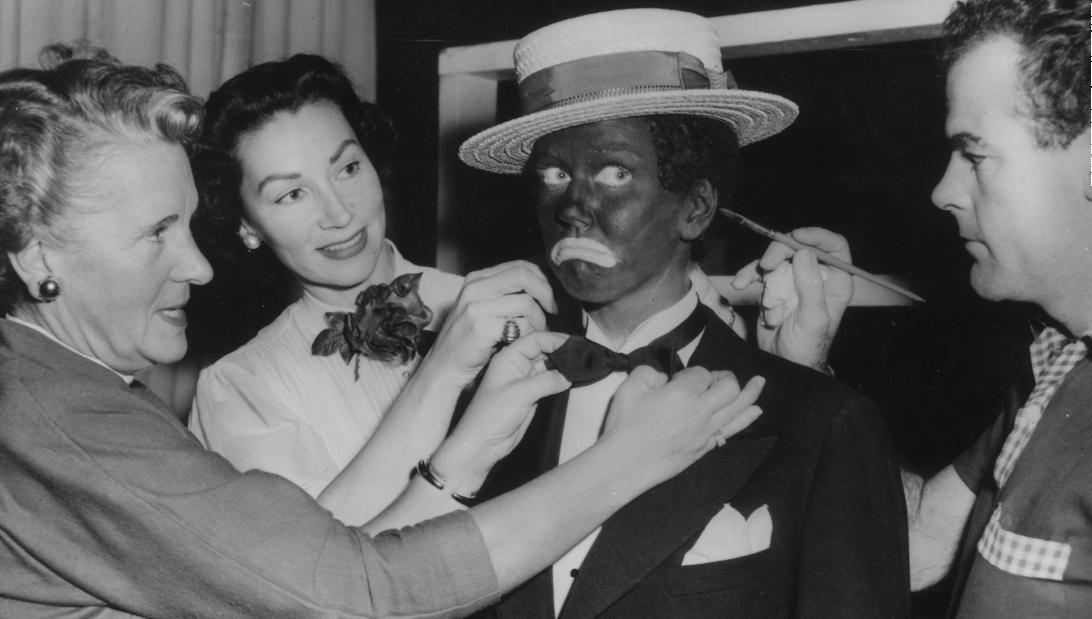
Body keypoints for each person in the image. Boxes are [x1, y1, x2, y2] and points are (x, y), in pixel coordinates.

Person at [0, 44, 766, 617]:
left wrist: (459, 450)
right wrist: (628, 457)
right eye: (156, 232)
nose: (197, 267)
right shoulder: (68, 415)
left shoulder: (61, 387)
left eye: (347, 167)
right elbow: (343, 590)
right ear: (36, 256)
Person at [186, 54, 803, 526]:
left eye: (347, 168)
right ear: (245, 224)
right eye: (291, 194)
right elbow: (307, 581)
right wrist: (443, 368)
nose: (338, 213)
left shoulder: (525, 305)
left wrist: (795, 356)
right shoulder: (239, 388)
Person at [458, 9, 909, 618]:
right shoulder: (487, 402)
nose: (573, 208)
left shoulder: (822, 422)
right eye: (555, 174)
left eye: (616, 172)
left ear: (695, 209)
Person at [739, 0, 1092, 616]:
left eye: (975, 155)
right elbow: (914, 544)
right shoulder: (1064, 368)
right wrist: (803, 372)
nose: (943, 191)